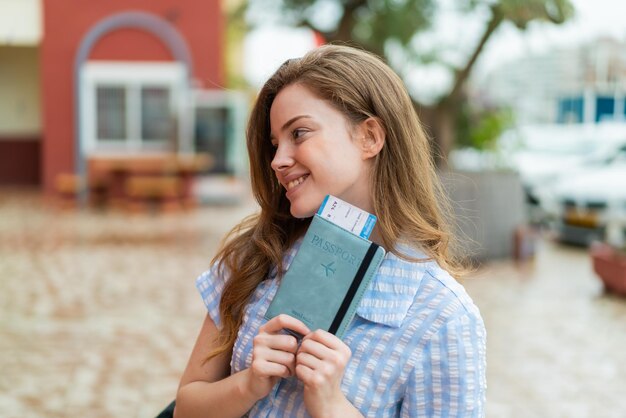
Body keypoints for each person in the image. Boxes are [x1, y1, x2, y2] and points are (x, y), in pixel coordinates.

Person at [174, 45, 486, 418]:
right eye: (275, 144)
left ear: (369, 137)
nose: (277, 160)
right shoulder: (253, 256)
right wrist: (249, 383)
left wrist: (331, 405)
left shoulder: (442, 316)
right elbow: (186, 408)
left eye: (299, 133)